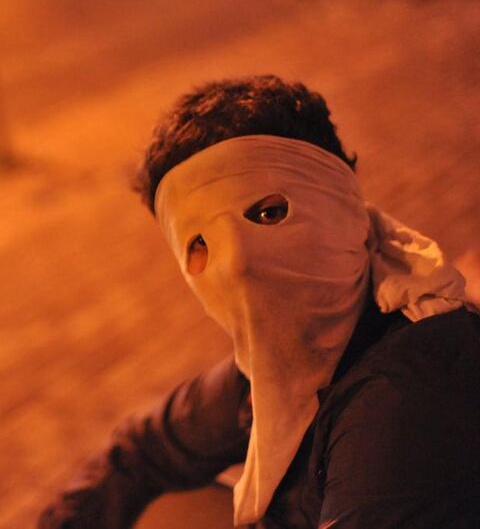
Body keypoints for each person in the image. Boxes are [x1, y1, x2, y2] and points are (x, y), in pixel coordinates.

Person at [38, 75, 480, 528]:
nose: (237, 264)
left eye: (268, 213)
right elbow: (140, 449)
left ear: (345, 208)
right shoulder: (277, 367)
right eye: (200, 244)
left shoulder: (402, 399)